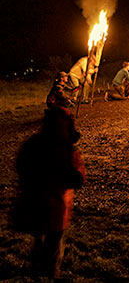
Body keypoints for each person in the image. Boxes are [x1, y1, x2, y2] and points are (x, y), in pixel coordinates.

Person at [13, 107, 85, 279]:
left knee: (41, 237)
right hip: (55, 207)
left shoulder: (33, 144)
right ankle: (50, 272)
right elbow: (77, 180)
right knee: (53, 243)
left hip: (35, 202)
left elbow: (20, 165)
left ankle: (38, 267)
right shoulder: (66, 151)